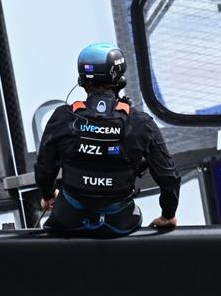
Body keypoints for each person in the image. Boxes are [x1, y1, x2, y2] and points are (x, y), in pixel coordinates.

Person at [35, 43, 180, 237]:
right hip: (120, 223)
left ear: (82, 80)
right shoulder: (141, 123)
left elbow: (44, 168)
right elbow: (168, 177)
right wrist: (168, 215)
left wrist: (48, 195)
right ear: (120, 79)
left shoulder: (62, 117)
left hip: (69, 220)